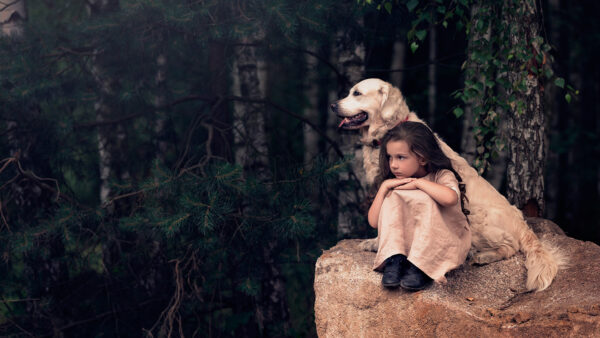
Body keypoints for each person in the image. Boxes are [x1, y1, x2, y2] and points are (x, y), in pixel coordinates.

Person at [368, 121, 471, 291]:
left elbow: (450, 198)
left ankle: (421, 266)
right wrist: (384, 187)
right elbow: (373, 222)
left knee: (424, 198)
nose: (393, 164)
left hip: (440, 242)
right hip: (406, 246)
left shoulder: (441, 175)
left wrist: (418, 184)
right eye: (390, 157)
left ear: (422, 158)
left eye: (401, 157)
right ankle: (396, 257)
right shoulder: (394, 182)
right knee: (394, 197)